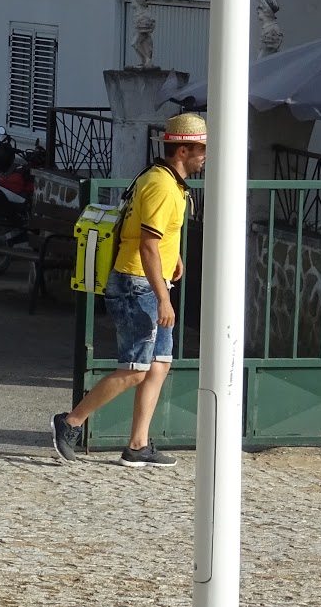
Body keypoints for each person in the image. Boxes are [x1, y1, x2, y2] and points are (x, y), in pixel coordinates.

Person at [50, 112, 209, 468]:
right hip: (139, 285)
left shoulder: (162, 178)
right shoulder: (163, 186)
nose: (204, 157)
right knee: (137, 368)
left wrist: (174, 255)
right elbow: (147, 246)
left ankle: (138, 446)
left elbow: (151, 232)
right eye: (201, 149)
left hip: (149, 281)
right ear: (182, 151)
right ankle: (70, 423)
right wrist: (164, 298)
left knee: (159, 365)